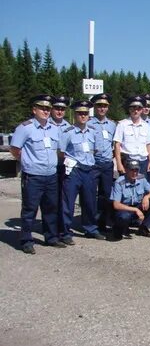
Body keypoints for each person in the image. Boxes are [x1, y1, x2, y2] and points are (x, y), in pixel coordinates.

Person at [10, 95, 64, 253]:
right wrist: (27, 162)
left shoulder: (54, 129)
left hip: (51, 175)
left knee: (51, 208)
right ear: (34, 110)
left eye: (48, 109)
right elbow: (15, 149)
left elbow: (58, 150)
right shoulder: (25, 128)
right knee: (29, 209)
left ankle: (51, 237)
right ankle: (26, 240)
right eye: (42, 108)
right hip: (33, 175)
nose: (46, 111)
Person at [59, 100, 104, 243]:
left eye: (85, 113)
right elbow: (61, 153)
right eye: (80, 113)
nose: (83, 116)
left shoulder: (93, 132)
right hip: (74, 170)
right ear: (75, 114)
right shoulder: (68, 132)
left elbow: (96, 150)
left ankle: (90, 229)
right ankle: (65, 232)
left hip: (89, 170)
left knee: (90, 202)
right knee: (68, 203)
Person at [110, 158, 150, 240]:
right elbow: (116, 205)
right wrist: (135, 210)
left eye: (136, 170)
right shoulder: (119, 182)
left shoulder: (141, 178)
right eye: (132, 170)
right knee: (124, 216)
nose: (135, 173)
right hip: (125, 209)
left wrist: (146, 197)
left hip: (137, 206)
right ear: (126, 170)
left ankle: (143, 228)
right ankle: (118, 230)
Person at [89, 93, 116, 233]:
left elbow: (115, 144)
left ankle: (103, 222)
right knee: (91, 194)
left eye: (104, 106)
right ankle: (90, 222)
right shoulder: (88, 123)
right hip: (92, 164)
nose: (102, 108)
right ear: (94, 107)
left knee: (106, 194)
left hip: (107, 164)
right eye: (99, 105)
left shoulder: (112, 125)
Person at [113, 95, 150, 183]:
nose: (136, 111)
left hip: (143, 161)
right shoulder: (122, 125)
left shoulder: (146, 126)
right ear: (129, 109)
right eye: (133, 108)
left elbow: (149, 145)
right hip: (128, 161)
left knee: (141, 187)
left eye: (139, 108)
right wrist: (119, 164)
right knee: (126, 186)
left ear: (142, 110)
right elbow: (117, 145)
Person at [47, 95, 71, 233]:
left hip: (64, 166)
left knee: (63, 198)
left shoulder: (68, 127)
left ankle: (62, 228)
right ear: (52, 109)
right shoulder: (46, 124)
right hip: (49, 167)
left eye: (62, 109)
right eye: (57, 108)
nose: (60, 111)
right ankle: (51, 228)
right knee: (50, 199)